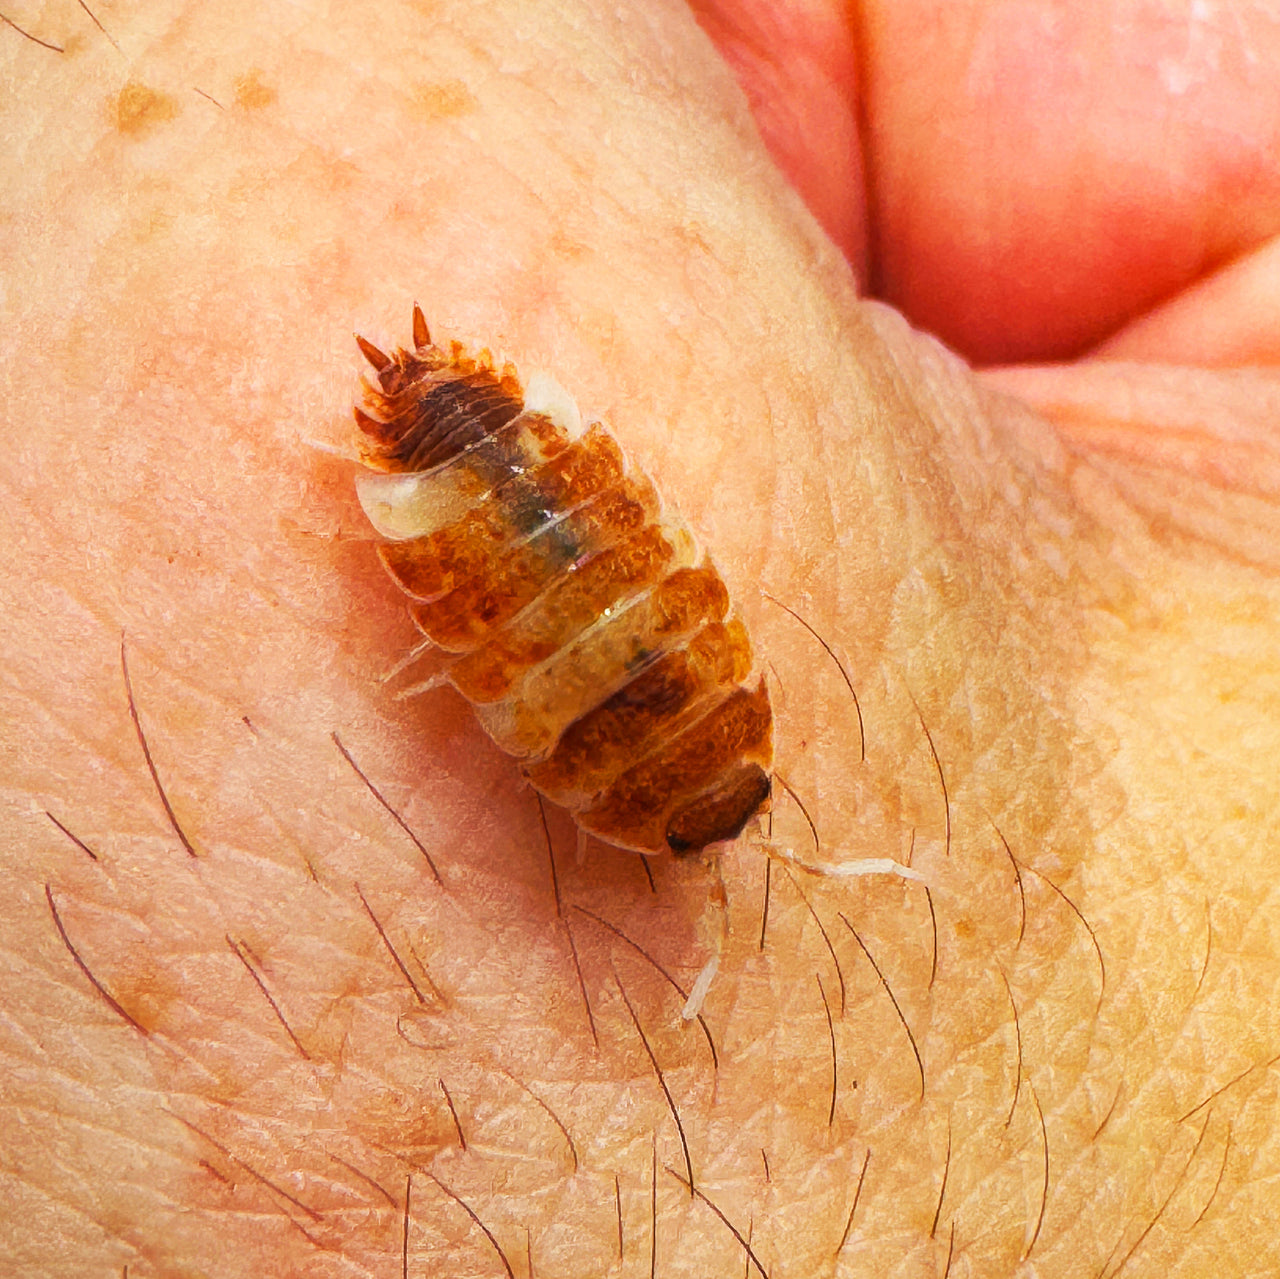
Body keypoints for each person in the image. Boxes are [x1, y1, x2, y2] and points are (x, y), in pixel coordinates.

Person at [3, 0, 1276, 1274]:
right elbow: (510, 691)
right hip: (498, 502)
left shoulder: (681, 711)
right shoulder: (592, 769)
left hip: (524, 509)